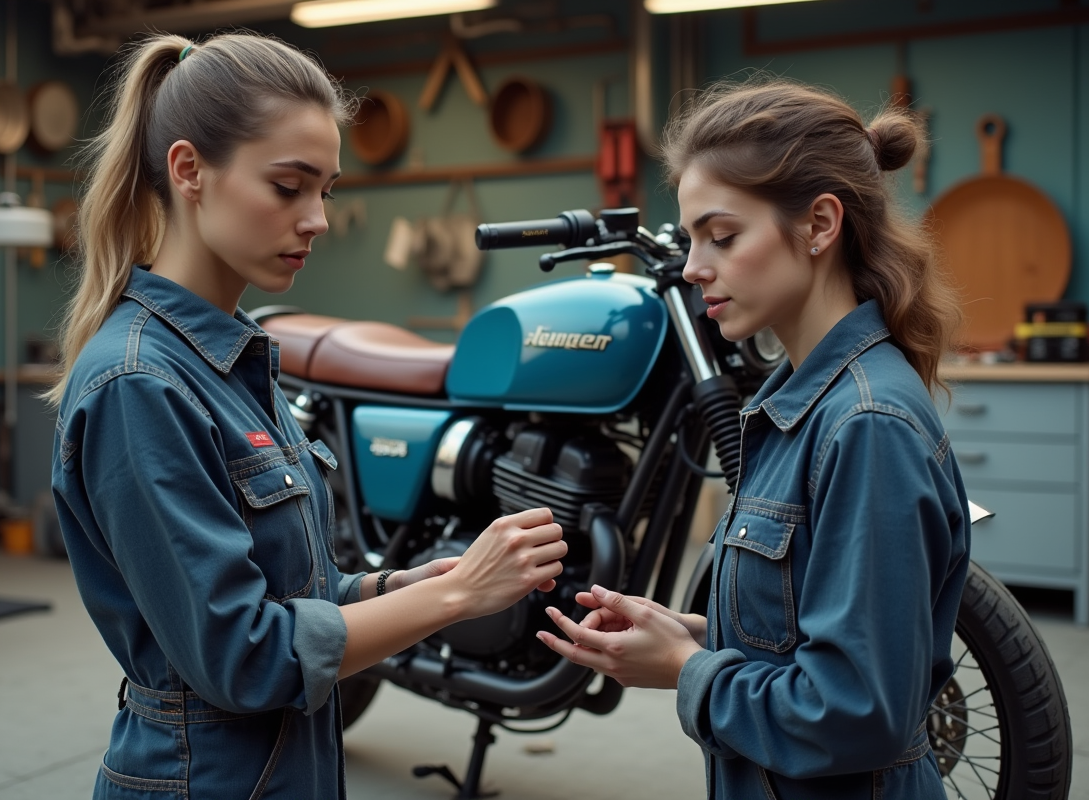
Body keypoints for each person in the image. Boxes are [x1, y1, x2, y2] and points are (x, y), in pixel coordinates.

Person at [47, 33, 566, 799]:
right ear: (189, 171)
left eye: (326, 189)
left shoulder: (236, 362)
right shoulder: (139, 384)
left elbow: (291, 597)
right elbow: (245, 656)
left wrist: (399, 588)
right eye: (289, 187)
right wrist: (453, 599)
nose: (317, 218)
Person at [537, 79, 970, 800]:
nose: (693, 266)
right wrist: (694, 635)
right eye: (690, 239)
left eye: (723, 235)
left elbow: (855, 714)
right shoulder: (793, 402)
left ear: (820, 225)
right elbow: (807, 635)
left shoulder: (865, 427)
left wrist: (684, 668)